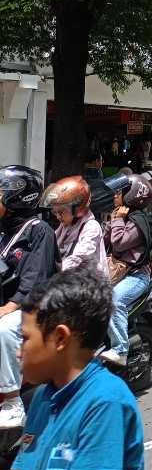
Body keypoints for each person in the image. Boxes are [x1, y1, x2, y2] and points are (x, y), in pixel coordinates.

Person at [0, 268, 146, 470]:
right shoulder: (43, 396)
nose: (18, 352)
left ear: (60, 339)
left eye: (25, 339)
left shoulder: (105, 401)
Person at [0, 166, 57, 429]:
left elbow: (35, 278)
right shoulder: (5, 231)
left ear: (16, 198)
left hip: (33, 305)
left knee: (3, 330)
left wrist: (9, 307)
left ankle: (11, 402)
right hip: (9, 302)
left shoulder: (39, 230)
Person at [103, 175, 152, 367]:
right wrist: (113, 220)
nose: (115, 195)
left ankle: (120, 349)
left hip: (136, 276)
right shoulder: (120, 215)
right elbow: (106, 241)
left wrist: (117, 220)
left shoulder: (137, 221)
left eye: (120, 192)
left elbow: (119, 243)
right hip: (117, 272)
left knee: (114, 300)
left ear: (131, 195)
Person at [40, 176, 109, 278]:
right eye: (55, 212)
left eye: (61, 212)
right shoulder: (65, 226)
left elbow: (79, 259)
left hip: (89, 286)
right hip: (69, 281)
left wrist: (54, 270)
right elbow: (51, 246)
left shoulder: (91, 227)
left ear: (77, 208)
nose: (58, 216)